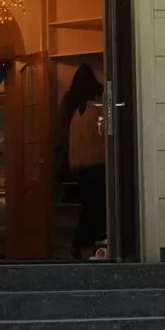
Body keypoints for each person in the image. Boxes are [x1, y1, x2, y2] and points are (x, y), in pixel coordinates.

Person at [62, 64, 108, 259]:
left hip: (80, 165)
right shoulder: (96, 111)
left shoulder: (74, 109)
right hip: (97, 164)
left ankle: (81, 244)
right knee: (96, 208)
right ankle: (85, 244)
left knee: (89, 206)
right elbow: (102, 139)